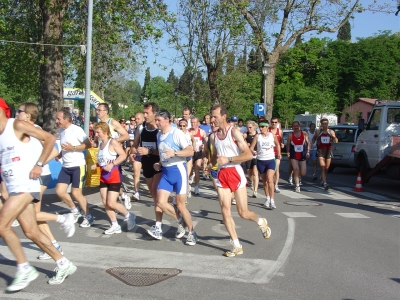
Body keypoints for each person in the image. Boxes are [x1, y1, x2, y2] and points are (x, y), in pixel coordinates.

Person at [0, 99, 76, 291]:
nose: (18, 112)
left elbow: (50, 139)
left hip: (26, 184)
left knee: (2, 225)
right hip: (15, 187)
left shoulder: (16, 125)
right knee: (31, 231)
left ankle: (24, 268)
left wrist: (39, 164)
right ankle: (63, 263)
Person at [16, 103, 76, 260]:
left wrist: (39, 165)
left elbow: (54, 149)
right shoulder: (21, 130)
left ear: (28, 115)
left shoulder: (34, 130)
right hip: (31, 177)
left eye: (20, 111)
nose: (17, 114)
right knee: (35, 215)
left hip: (39, 176)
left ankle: (64, 219)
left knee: (34, 214)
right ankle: (54, 245)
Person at [210, 105, 271, 257]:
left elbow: (249, 155)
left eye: (215, 116)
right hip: (222, 174)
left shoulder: (234, 132)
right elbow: (215, 155)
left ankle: (261, 222)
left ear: (223, 116)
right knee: (225, 210)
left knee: (243, 213)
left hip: (235, 172)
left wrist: (229, 159)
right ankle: (236, 245)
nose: (212, 119)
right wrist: (211, 165)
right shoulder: (213, 136)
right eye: (211, 117)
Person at [151, 110, 198, 245]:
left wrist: (175, 152)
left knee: (180, 205)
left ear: (167, 120)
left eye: (159, 120)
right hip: (166, 172)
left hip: (178, 171)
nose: (157, 123)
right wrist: (159, 163)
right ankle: (180, 220)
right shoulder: (159, 134)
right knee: (160, 202)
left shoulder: (176, 133)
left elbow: (190, 151)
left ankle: (192, 233)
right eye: (156, 120)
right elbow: (163, 152)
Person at [91, 122, 136, 234]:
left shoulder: (113, 142)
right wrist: (96, 164)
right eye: (95, 132)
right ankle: (114, 224)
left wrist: (113, 164)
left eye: (98, 132)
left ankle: (129, 215)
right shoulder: (101, 144)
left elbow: (123, 155)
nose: (96, 135)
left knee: (111, 203)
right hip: (103, 176)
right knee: (105, 201)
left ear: (105, 132)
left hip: (113, 176)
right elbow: (103, 160)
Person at [55, 109, 94, 227]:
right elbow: (65, 146)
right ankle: (75, 210)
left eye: (59, 119)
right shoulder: (61, 131)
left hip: (78, 166)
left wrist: (73, 148)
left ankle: (89, 216)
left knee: (76, 194)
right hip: (66, 166)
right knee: (59, 191)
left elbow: (88, 144)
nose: (56, 121)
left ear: (66, 119)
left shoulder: (77, 130)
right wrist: (61, 154)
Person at [130, 102, 164, 239]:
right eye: (143, 113)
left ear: (154, 113)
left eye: (147, 113)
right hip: (146, 164)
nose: (144, 115)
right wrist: (133, 151)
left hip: (158, 165)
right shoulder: (141, 128)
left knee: (156, 195)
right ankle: (176, 209)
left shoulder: (160, 130)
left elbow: (163, 152)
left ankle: (158, 226)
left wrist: (148, 151)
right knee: (154, 196)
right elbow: (135, 144)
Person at [96, 103, 131, 209]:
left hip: (113, 155)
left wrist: (114, 141)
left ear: (106, 111)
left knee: (113, 180)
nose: (97, 112)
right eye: (97, 110)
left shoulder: (112, 122)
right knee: (107, 181)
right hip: (103, 154)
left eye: (99, 110)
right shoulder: (99, 124)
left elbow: (126, 135)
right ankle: (122, 196)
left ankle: (117, 203)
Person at [250, 121, 281, 209]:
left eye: (263, 126)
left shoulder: (272, 135)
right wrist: (253, 151)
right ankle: (267, 198)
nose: (261, 128)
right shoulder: (257, 136)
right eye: (260, 126)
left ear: (267, 127)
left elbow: (277, 144)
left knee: (269, 179)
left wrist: (279, 153)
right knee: (264, 181)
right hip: (260, 160)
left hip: (270, 160)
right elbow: (251, 147)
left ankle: (272, 200)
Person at [311, 118, 338, 190]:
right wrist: (312, 144)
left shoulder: (331, 132)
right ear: (321, 124)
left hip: (328, 150)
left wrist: (334, 138)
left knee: (326, 168)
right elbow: (314, 138)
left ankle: (322, 177)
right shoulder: (318, 132)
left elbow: (336, 140)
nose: (324, 125)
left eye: (326, 124)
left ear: (328, 124)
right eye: (323, 124)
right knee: (323, 166)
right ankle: (325, 183)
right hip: (320, 150)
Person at [287, 121, 311, 193]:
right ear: (292, 127)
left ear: (299, 126)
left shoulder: (304, 134)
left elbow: (308, 143)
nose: (296, 127)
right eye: (294, 126)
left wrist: (308, 151)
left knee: (303, 172)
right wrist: (288, 152)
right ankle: (297, 186)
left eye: (297, 126)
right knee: (296, 169)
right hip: (293, 155)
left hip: (302, 154)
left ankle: (297, 176)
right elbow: (288, 144)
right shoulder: (290, 135)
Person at [178, 118, 195, 199]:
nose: (182, 127)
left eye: (184, 126)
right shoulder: (176, 134)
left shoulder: (189, 134)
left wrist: (194, 148)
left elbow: (194, 141)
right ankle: (185, 189)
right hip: (180, 156)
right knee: (181, 176)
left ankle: (185, 192)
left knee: (186, 176)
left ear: (186, 126)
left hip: (188, 156)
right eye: (180, 126)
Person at [189, 116, 207, 195]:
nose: (193, 124)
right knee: (189, 171)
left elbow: (206, 141)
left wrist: (204, 145)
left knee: (197, 169)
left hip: (198, 153)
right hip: (190, 153)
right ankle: (188, 185)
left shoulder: (202, 132)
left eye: (194, 122)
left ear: (198, 123)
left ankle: (196, 187)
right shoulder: (188, 131)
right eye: (192, 122)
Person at [243, 121, 259, 198]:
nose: (249, 129)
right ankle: (251, 182)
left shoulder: (258, 135)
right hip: (248, 155)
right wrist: (245, 144)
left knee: (255, 172)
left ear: (254, 127)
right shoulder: (245, 135)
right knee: (249, 172)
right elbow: (240, 143)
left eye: (250, 127)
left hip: (257, 155)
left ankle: (255, 191)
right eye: (247, 127)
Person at [268, 117, 284, 193]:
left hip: (277, 153)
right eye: (272, 122)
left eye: (275, 122)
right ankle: (271, 183)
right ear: (270, 123)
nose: (274, 124)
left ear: (277, 123)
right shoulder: (268, 130)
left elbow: (281, 140)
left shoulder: (280, 131)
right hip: (269, 153)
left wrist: (282, 145)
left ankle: (276, 185)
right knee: (271, 170)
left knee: (276, 168)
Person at [131, 112, 144, 201]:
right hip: (138, 153)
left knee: (149, 175)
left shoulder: (146, 128)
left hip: (147, 153)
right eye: (135, 118)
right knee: (136, 173)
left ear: (143, 119)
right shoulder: (136, 128)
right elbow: (134, 142)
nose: (136, 120)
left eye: (138, 118)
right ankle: (137, 192)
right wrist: (132, 152)